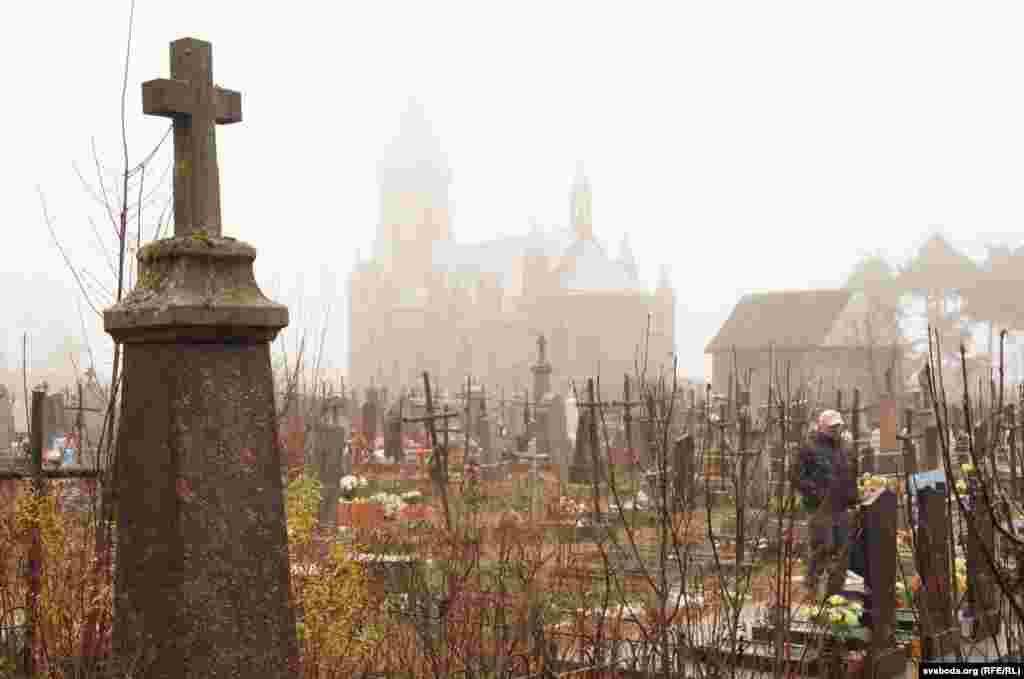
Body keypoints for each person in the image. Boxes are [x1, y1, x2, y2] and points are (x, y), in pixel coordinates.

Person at [797, 409, 858, 598]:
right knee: (822, 546)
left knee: (841, 549)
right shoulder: (809, 448)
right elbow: (796, 476)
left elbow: (849, 473)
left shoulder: (843, 448)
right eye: (832, 427)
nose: (836, 430)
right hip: (819, 507)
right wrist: (815, 494)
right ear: (821, 426)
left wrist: (852, 495)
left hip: (840, 505)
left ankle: (834, 591)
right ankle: (812, 587)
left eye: (838, 426)